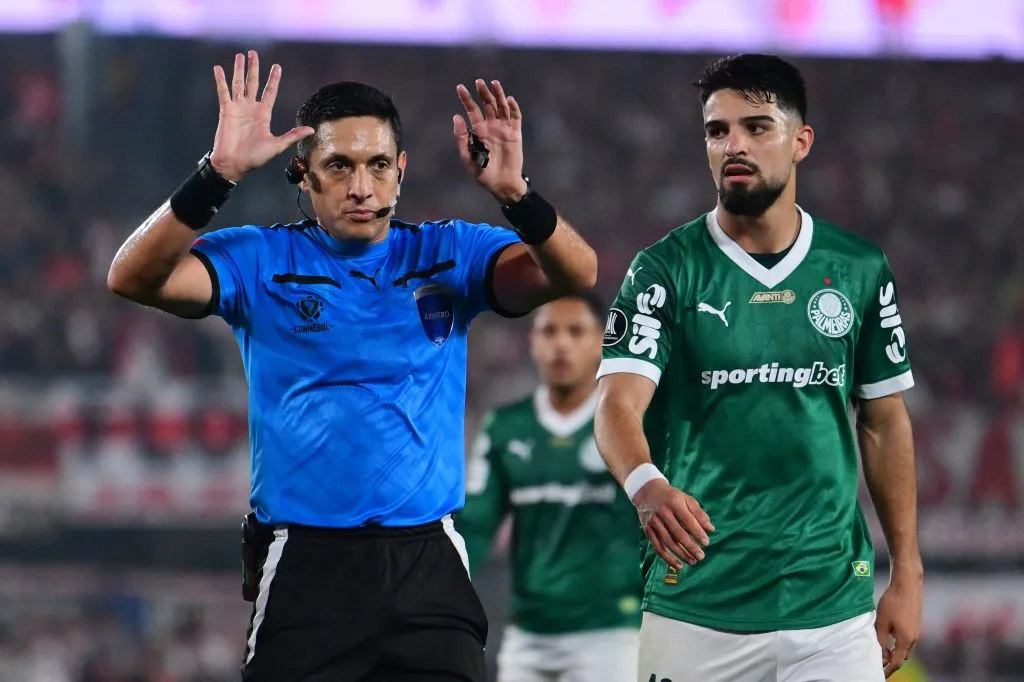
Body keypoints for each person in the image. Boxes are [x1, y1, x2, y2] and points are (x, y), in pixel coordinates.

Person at [106, 50, 597, 682]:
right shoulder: (260, 259)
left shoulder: (453, 253)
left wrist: (515, 194)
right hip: (308, 564)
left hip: (428, 564)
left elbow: (576, 272)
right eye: (338, 166)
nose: (360, 187)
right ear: (303, 176)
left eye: (376, 166)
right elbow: (131, 277)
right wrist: (216, 175)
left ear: (401, 172)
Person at [593, 54, 923, 682]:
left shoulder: (857, 268)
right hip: (695, 602)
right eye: (718, 131)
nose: (733, 145)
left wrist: (907, 573)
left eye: (756, 126)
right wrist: (646, 485)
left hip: (832, 612)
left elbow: (883, 421)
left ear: (801, 141)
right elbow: (615, 404)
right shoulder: (664, 269)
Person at [458, 293, 643, 682]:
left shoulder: (631, 428)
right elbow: (474, 526)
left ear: (602, 342)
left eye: (576, 332)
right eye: (549, 331)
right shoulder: (507, 427)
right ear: (533, 342)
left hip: (613, 630)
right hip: (529, 632)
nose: (561, 343)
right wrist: (445, 597)